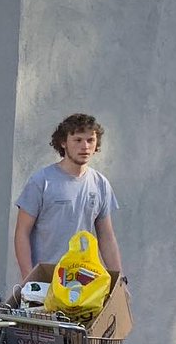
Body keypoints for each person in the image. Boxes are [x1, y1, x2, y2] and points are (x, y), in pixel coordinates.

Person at [14, 113, 122, 278]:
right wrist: (29, 278)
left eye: (90, 140)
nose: (85, 146)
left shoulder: (100, 184)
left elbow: (106, 237)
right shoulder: (42, 181)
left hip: (81, 278)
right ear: (63, 142)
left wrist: (120, 280)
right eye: (78, 140)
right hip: (46, 277)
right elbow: (22, 232)